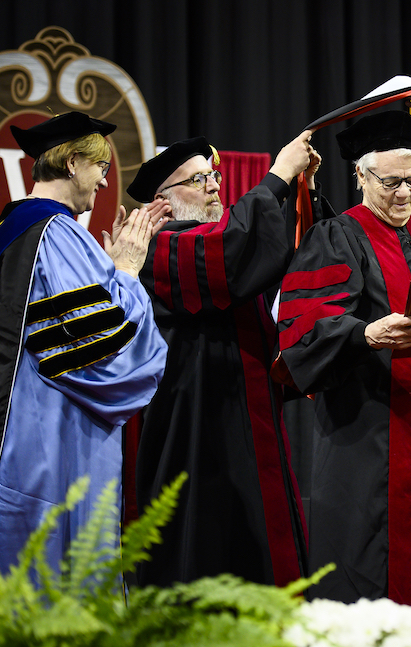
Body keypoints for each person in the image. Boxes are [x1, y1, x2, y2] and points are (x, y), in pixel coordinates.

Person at [274, 110, 411, 613]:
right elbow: (305, 325)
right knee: (363, 582)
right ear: (361, 177)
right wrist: (364, 333)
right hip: (365, 441)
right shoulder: (336, 238)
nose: (403, 193)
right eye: (390, 181)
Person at [125, 129, 322, 588]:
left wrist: (302, 190)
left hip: (249, 425)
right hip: (195, 430)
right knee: (206, 552)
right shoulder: (160, 247)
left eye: (213, 176)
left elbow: (277, 254)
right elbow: (230, 252)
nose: (214, 185)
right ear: (163, 201)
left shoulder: (212, 238)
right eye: (198, 180)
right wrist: (277, 177)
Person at [0, 112, 167, 577]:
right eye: (100, 168)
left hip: (4, 433)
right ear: (73, 164)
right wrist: (125, 270)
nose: (104, 183)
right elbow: (106, 357)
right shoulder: (57, 233)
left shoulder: (2, 234)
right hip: (47, 442)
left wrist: (103, 272)